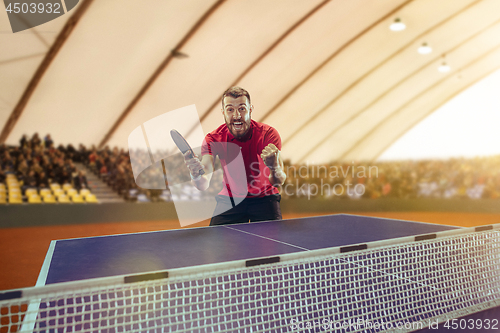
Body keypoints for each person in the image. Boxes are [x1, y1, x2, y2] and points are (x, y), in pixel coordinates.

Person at [184, 87, 286, 225]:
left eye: (242, 108)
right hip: (230, 200)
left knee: (273, 246)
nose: (237, 115)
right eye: (230, 109)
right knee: (215, 245)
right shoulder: (213, 139)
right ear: (223, 112)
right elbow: (203, 184)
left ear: (250, 109)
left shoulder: (268, 134)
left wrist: (274, 166)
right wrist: (195, 175)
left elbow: (278, 182)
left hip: (265, 198)